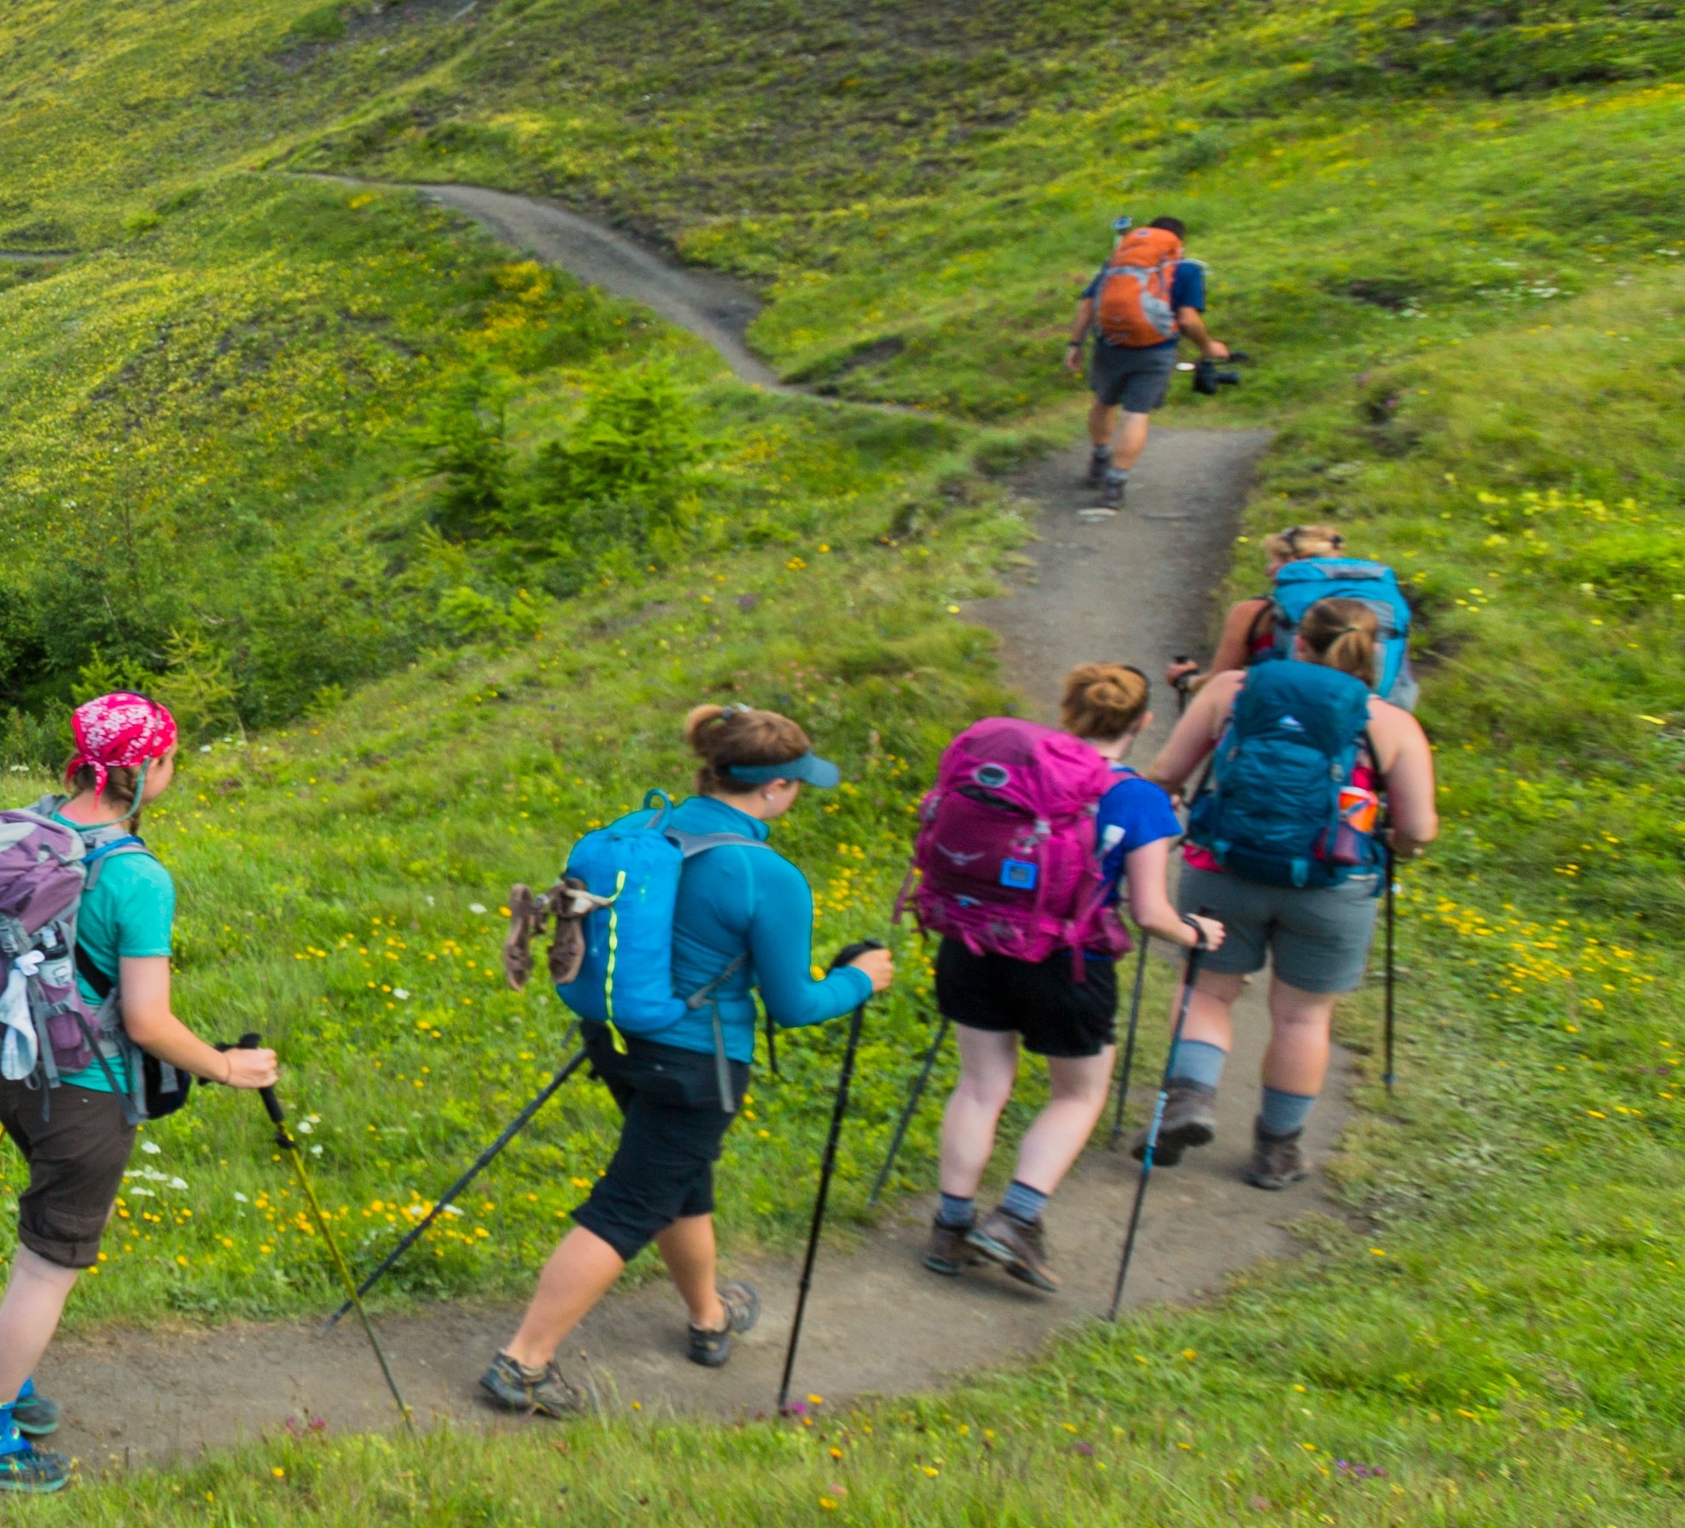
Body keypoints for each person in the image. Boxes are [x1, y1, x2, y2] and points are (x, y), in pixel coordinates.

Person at [481, 705, 890, 1416]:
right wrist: (861, 980)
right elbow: (793, 1005)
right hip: (696, 1061)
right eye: (798, 783)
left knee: (679, 1178)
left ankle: (708, 1315)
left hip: (615, 1040)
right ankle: (524, 1362)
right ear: (776, 788)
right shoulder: (767, 874)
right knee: (630, 1203)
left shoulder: (647, 834)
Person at [0, 692, 278, 1494]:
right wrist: (227, 1067)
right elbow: (149, 1022)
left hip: (11, 1068)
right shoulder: (138, 877)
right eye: (170, 759)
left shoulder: (34, 829)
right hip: (82, 1091)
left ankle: (3, 1379)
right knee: (49, 1261)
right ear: (149, 769)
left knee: (42, 1244)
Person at [919, 665, 1223, 1293]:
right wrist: (1197, 933)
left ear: (1065, 711)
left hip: (973, 940)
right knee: (1078, 1095)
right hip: (1067, 960)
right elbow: (1150, 914)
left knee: (979, 1086)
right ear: (1143, 721)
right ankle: (1016, 1219)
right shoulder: (1139, 799)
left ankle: (951, 1228)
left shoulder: (1017, 772)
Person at [1149, 596, 1437, 1187]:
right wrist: (1393, 845)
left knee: (1207, 993)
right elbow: (1417, 830)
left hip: (1223, 868)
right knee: (1303, 1019)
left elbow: (1166, 775)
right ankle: (1276, 1152)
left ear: (1296, 641)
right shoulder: (1392, 724)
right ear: (1375, 656)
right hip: (1334, 884)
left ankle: (1192, 1099)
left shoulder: (1231, 690)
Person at [1064, 215, 1229, 502]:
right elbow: (1188, 319)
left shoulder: (1116, 265)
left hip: (1110, 345)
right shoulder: (1186, 269)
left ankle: (1099, 461)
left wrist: (1075, 344)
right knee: (1136, 414)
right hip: (1156, 349)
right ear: (1179, 242)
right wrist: (1208, 346)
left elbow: (1087, 306)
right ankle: (1115, 485)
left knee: (1103, 402)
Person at [1166, 523, 1344, 701]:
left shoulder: (1252, 613)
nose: (1268, 570)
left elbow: (1217, 684)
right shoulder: (1358, 610)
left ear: (1291, 564)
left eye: (1273, 561)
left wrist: (1186, 679)